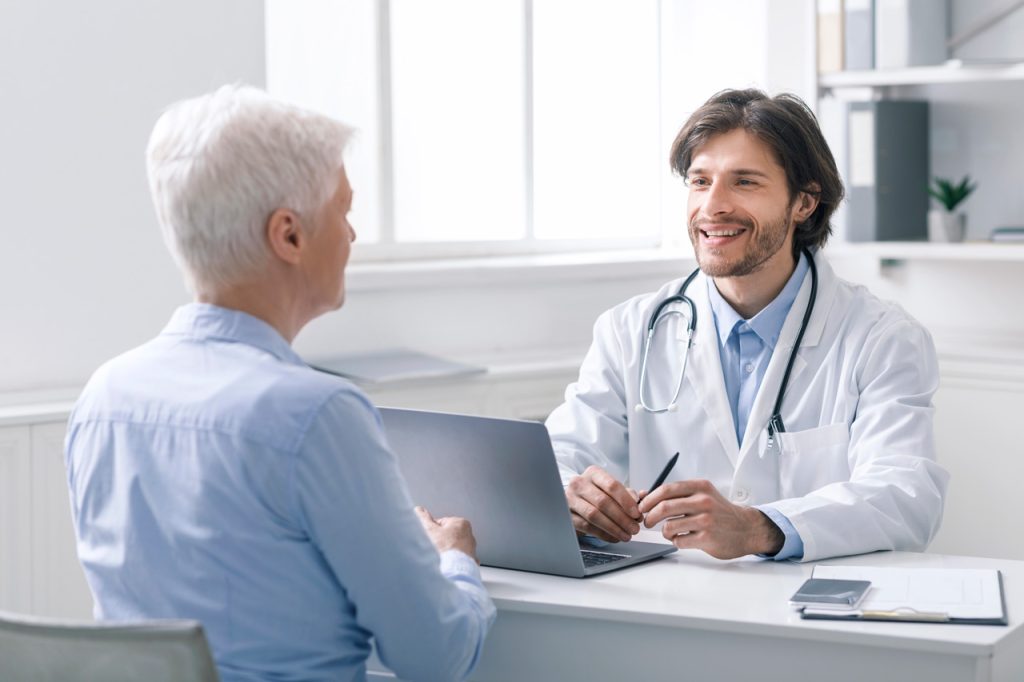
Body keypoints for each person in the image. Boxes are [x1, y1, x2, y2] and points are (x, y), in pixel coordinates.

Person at [64, 85, 494, 682]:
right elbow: (437, 655)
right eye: (343, 211)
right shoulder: (317, 414)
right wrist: (454, 562)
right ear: (288, 235)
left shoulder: (103, 397)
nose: (351, 235)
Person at [547, 88, 949, 563]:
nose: (712, 206)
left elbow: (905, 496)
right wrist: (572, 494)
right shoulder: (629, 330)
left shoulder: (882, 338)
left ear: (804, 202)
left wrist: (760, 527)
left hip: (811, 598)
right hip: (666, 593)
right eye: (700, 181)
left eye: (744, 182)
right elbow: (557, 456)